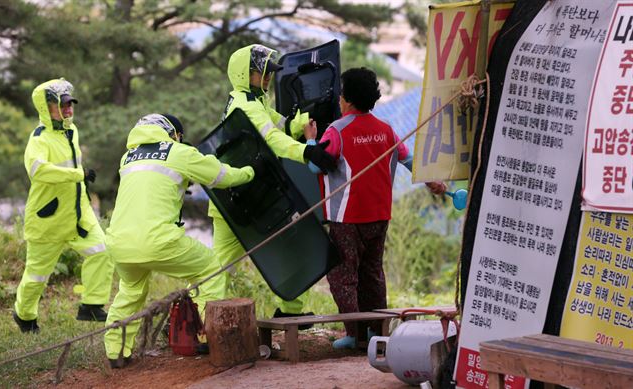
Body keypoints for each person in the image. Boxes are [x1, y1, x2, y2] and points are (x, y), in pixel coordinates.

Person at [103, 113, 255, 368]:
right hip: (158, 241)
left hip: (120, 243)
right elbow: (220, 176)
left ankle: (116, 352)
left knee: (130, 292)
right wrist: (250, 172)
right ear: (171, 133)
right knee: (211, 268)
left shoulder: (128, 157)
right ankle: (205, 335)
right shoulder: (178, 151)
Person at [312, 68, 446, 349]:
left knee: (343, 274)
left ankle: (353, 335)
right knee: (373, 272)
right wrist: (430, 181)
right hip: (379, 214)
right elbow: (408, 160)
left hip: (346, 217)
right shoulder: (386, 129)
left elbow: (315, 164)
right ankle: (375, 331)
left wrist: (311, 139)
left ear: (346, 99)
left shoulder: (336, 130)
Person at [206, 44, 336, 325]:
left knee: (289, 247)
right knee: (217, 270)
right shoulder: (244, 105)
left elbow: (282, 126)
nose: (267, 78)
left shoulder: (255, 101)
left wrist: (308, 117)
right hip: (237, 200)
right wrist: (306, 152)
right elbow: (273, 140)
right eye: (262, 73)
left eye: (268, 74)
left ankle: (291, 312)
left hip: (253, 195)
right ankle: (205, 326)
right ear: (245, 74)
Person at [14, 78, 114, 334]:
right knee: (37, 277)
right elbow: (38, 171)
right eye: (62, 105)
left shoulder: (73, 130)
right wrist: (77, 175)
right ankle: (24, 315)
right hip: (47, 220)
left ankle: (91, 305)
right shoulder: (38, 139)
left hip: (78, 215)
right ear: (46, 108)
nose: (68, 109)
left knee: (101, 251)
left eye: (70, 104)